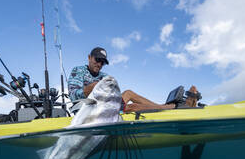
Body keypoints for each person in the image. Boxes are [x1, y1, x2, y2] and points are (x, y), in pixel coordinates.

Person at [68, 47, 199, 113]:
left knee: (128, 92)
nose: (100, 64)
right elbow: (73, 95)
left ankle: (163, 107)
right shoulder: (77, 70)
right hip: (88, 111)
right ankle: (172, 107)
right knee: (132, 107)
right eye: (97, 60)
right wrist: (90, 89)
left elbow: (113, 95)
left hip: (105, 107)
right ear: (89, 57)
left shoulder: (104, 76)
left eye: (103, 62)